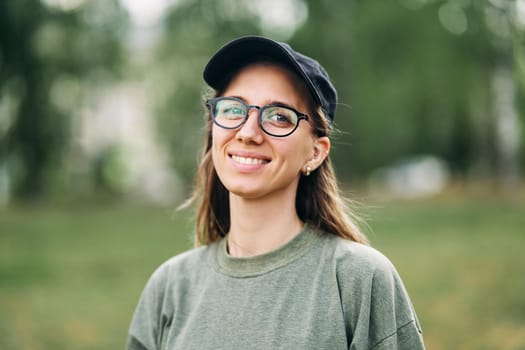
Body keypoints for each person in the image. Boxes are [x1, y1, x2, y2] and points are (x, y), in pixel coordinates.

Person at [127, 35, 425, 350]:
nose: (248, 133)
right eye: (233, 109)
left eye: (279, 116)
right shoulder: (170, 288)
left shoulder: (359, 282)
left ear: (315, 152)